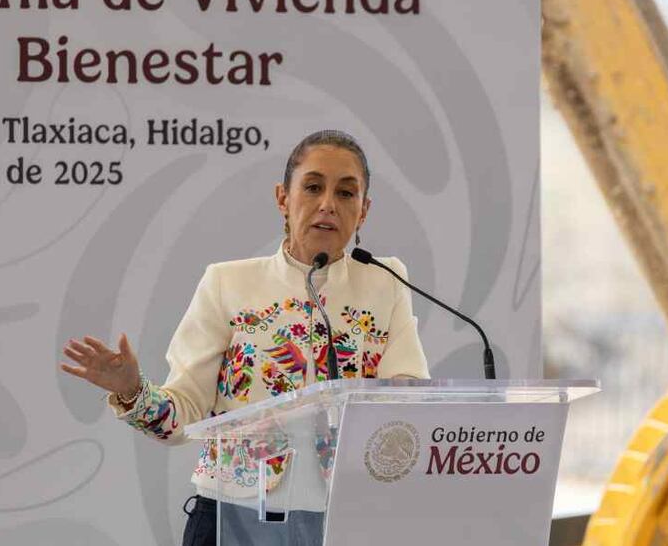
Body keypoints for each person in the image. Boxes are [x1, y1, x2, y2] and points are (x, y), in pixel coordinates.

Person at [60, 130, 430, 546]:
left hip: (347, 519)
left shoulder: (386, 282)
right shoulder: (228, 283)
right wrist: (131, 391)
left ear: (363, 211)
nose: (328, 203)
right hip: (233, 519)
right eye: (312, 187)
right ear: (282, 198)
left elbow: (408, 403)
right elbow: (183, 419)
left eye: (346, 194)